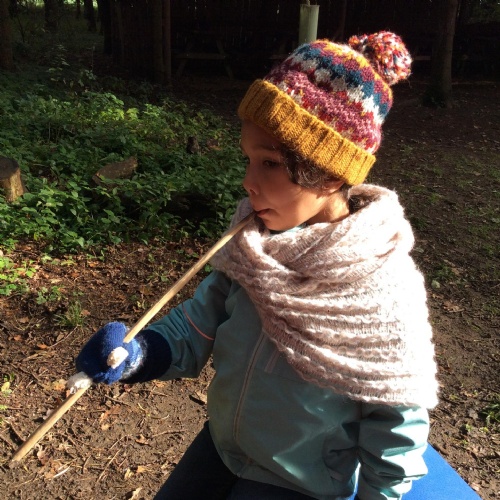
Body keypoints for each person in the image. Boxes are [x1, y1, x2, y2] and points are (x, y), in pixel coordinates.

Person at [75, 31, 439, 500]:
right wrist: (138, 353)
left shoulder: (383, 290)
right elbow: (197, 325)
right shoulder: (253, 247)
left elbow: (397, 415)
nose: (248, 182)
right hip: (222, 448)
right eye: (248, 159)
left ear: (330, 173)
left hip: (298, 482)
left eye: (269, 163)